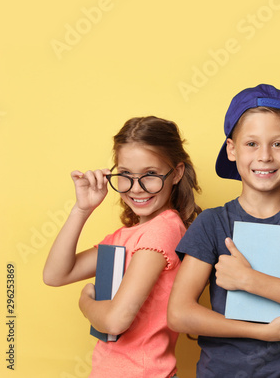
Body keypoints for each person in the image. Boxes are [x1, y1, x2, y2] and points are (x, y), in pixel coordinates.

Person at [168, 83, 280, 377]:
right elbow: (179, 313)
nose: (264, 156)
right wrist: (264, 333)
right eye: (251, 143)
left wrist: (248, 279)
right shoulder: (212, 223)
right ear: (231, 149)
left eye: (277, 143)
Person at [43, 116, 201, 378]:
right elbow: (55, 275)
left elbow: (117, 320)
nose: (136, 189)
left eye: (150, 174)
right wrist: (82, 209)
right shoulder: (128, 236)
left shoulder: (163, 229)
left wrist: (85, 302)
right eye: (125, 175)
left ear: (177, 173)